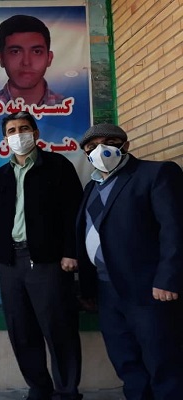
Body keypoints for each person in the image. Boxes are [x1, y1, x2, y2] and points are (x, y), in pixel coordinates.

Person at [76, 123, 183, 400]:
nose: (101, 150)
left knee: (163, 363)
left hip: (149, 290)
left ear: (126, 145)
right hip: (106, 290)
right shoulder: (92, 187)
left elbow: (174, 229)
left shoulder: (155, 174)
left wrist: (167, 278)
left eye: (109, 142)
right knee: (126, 362)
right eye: (92, 146)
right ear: (87, 154)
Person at [0, 111, 83, 400]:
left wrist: (71, 252)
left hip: (48, 261)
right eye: (12, 130)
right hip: (10, 262)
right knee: (21, 330)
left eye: (23, 128)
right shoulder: (0, 176)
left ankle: (67, 392)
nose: (18, 135)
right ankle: (39, 388)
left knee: (58, 327)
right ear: (5, 139)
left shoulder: (57, 166)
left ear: (36, 134)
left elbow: (73, 213)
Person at [0, 15, 65, 106]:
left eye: (36, 52)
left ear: (49, 58)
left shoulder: (70, 107)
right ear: (1, 58)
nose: (26, 62)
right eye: (15, 52)